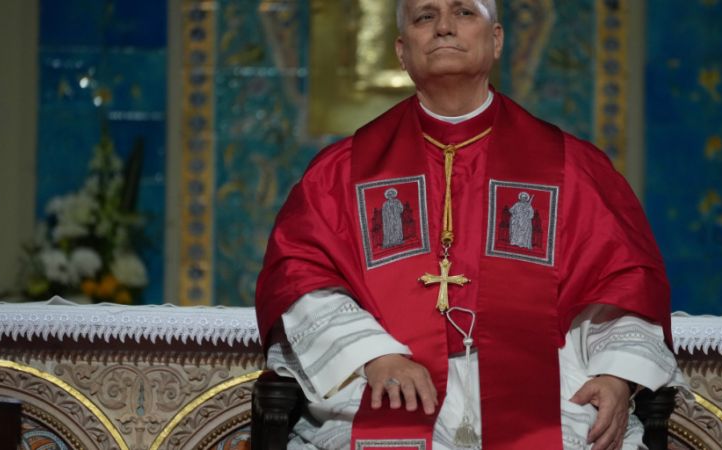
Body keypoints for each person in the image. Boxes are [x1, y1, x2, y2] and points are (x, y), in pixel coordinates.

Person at [255, 1, 687, 449]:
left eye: (464, 12)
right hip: (387, 378)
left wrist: (615, 375)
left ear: (496, 40)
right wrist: (375, 355)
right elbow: (299, 273)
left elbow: (625, 279)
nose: (444, 27)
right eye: (425, 16)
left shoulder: (570, 167)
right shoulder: (343, 171)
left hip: (546, 382)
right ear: (401, 52)